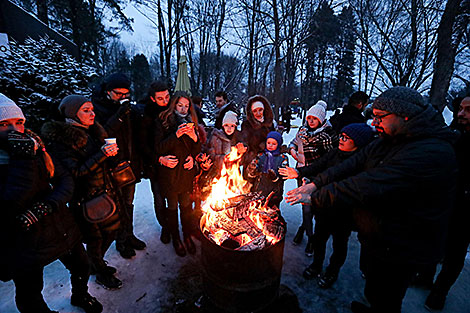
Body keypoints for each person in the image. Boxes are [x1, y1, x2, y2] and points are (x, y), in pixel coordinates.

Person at [285, 86, 458, 313]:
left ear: (404, 114)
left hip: (405, 242)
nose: (374, 123)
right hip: (380, 233)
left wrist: (316, 197)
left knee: (388, 296)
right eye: (372, 116)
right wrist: (316, 182)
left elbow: (366, 184)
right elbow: (353, 163)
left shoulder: (431, 151)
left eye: (379, 117)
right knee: (374, 286)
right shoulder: (392, 136)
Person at [0, 94, 102, 313]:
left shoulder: (35, 147)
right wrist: (22, 159)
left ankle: (81, 295)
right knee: (30, 290)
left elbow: (65, 181)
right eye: (4, 124)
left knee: (81, 265)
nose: (14, 130)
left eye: (19, 122)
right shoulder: (25, 153)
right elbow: (13, 201)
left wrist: (47, 205)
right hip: (24, 240)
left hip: (59, 225)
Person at [42, 95, 124, 290]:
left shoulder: (93, 131)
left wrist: (111, 154)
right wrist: (102, 154)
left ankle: (97, 263)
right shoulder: (63, 141)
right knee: (96, 239)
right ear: (72, 114)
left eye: (92, 109)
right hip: (85, 199)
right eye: (85, 110)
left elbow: (101, 162)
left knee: (111, 231)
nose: (92, 113)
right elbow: (76, 172)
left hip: (104, 192)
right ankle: (99, 270)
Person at [280, 123, 374, 288]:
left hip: (344, 213)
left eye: (346, 138)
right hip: (324, 207)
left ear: (357, 142)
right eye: (341, 136)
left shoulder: (361, 164)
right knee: (319, 239)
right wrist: (301, 173)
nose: (341, 139)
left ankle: (332, 271)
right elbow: (318, 167)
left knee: (339, 244)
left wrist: (313, 195)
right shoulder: (335, 153)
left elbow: (349, 190)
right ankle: (316, 265)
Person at [91, 73, 146, 259]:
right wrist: (120, 115)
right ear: (108, 92)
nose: (123, 97)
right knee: (118, 206)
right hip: (111, 166)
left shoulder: (127, 107)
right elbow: (102, 133)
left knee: (128, 203)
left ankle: (128, 236)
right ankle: (121, 242)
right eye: (118, 94)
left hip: (129, 162)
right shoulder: (97, 107)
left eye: (126, 94)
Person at [424, 96, 470, 311]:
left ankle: (439, 291)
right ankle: (425, 276)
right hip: (443, 200)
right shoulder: (454, 133)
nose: (461, 114)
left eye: (468, 110)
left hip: (466, 209)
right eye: (460, 108)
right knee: (433, 241)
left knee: (454, 252)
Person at [288, 100, 338, 256]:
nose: (311, 121)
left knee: (314, 208)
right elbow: (293, 142)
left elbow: (331, 159)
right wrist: (292, 150)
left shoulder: (327, 136)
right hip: (302, 172)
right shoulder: (302, 130)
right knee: (306, 208)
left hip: (318, 176)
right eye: (309, 118)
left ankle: (308, 234)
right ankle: (308, 235)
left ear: (321, 120)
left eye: (314, 119)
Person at [157, 92, 202, 257]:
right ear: (174, 105)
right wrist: (176, 135)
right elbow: (159, 148)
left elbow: (197, 150)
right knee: (172, 207)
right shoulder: (163, 120)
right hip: (170, 174)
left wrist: (194, 140)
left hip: (185, 172)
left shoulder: (192, 122)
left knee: (186, 206)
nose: (183, 109)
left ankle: (187, 235)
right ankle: (176, 237)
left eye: (186, 106)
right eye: (180, 105)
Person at [137, 81, 172, 244]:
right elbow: (142, 145)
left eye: (167, 97)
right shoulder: (146, 116)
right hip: (155, 164)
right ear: (152, 99)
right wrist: (158, 159)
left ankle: (173, 226)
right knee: (159, 198)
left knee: (173, 196)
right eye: (160, 98)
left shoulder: (172, 110)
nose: (165, 101)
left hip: (173, 163)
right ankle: (165, 227)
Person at [245, 131, 288, 208]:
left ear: (279, 144)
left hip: (275, 190)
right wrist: (252, 168)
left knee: (273, 209)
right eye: (268, 143)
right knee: (257, 209)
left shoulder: (282, 158)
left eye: (274, 144)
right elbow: (251, 174)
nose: (270, 145)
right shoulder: (261, 155)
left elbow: (284, 174)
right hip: (260, 187)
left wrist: (275, 176)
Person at [240, 95, 275, 167]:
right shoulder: (246, 125)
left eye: (260, 110)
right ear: (251, 112)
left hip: (267, 160)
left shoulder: (270, 124)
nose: (258, 113)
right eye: (255, 111)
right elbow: (244, 140)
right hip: (251, 161)